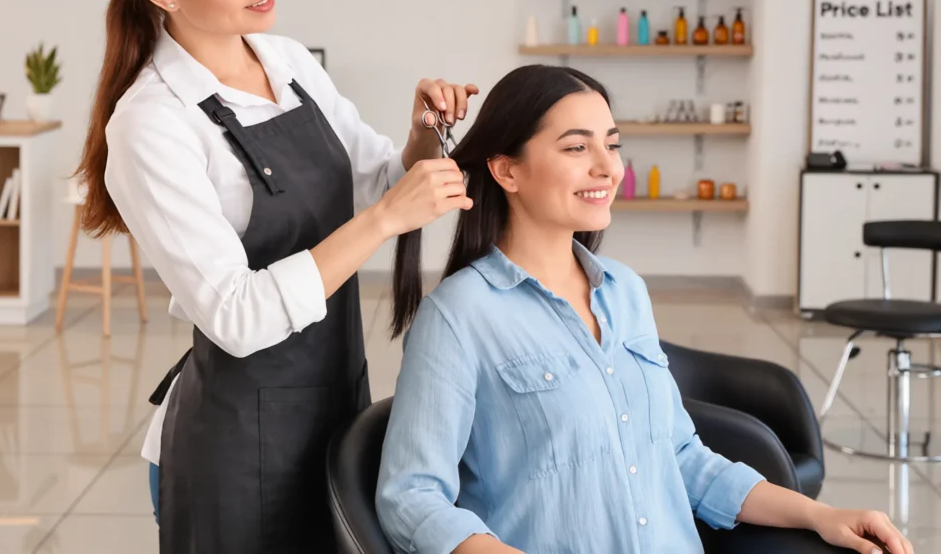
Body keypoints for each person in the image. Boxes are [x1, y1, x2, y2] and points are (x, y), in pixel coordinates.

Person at [75, 0, 477, 554]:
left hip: (330, 406)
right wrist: (384, 222)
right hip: (232, 449)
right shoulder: (152, 122)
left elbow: (378, 180)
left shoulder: (288, 60)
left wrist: (420, 139)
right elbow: (235, 315)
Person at [376, 64, 913, 554]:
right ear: (506, 171)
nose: (608, 168)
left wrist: (822, 516)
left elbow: (680, 456)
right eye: (576, 148)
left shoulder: (625, 292)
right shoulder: (459, 316)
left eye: (612, 145)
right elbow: (411, 497)